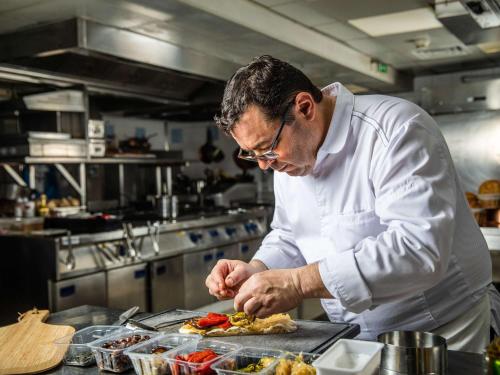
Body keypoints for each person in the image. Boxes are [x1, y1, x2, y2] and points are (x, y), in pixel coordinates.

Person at [206, 55, 497, 353]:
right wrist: (258, 268)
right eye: (252, 155)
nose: (265, 166)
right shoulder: (288, 158)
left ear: (304, 107)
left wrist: (298, 283)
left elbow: (418, 249)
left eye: (266, 148)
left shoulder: (395, 129)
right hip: (354, 336)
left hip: (443, 330)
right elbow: (291, 233)